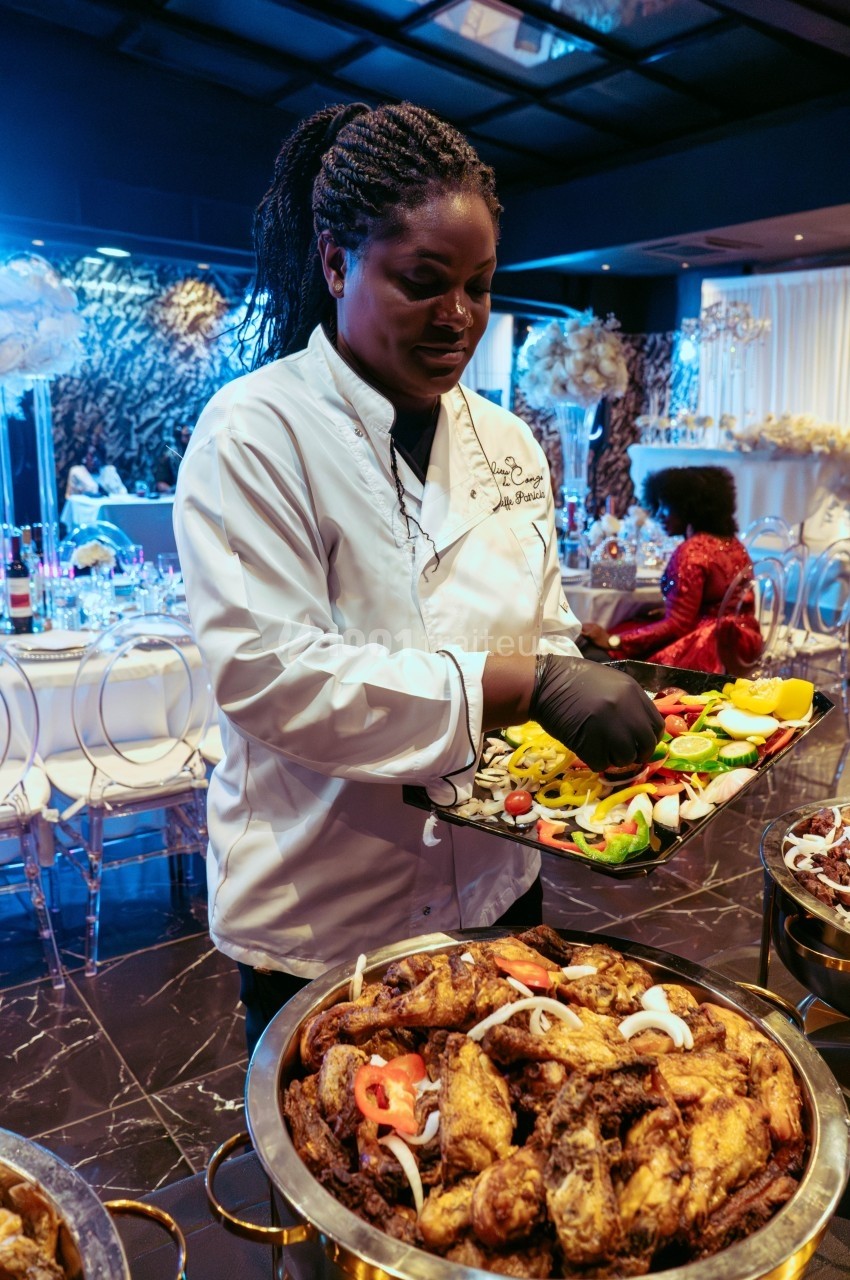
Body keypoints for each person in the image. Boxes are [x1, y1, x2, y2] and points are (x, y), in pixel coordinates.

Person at [173, 102, 663, 1054]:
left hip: (499, 886)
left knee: (498, 1133)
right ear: (335, 262)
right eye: (423, 282)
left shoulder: (510, 440)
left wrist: (594, 778)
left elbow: (539, 624)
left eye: (479, 286)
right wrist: (527, 684)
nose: (460, 317)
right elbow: (271, 675)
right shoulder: (256, 432)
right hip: (328, 912)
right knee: (349, 1142)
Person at [580, 465, 760, 672]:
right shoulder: (735, 545)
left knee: (596, 649)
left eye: (665, 507)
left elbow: (677, 625)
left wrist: (614, 641)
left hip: (706, 649)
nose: (659, 515)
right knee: (635, 622)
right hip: (743, 645)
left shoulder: (692, 551)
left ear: (687, 510)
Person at [153, 425, 192, 492]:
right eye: (186, 435)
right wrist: (172, 490)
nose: (190, 438)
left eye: (191, 435)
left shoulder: (202, 452)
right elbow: (161, 482)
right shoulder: (171, 455)